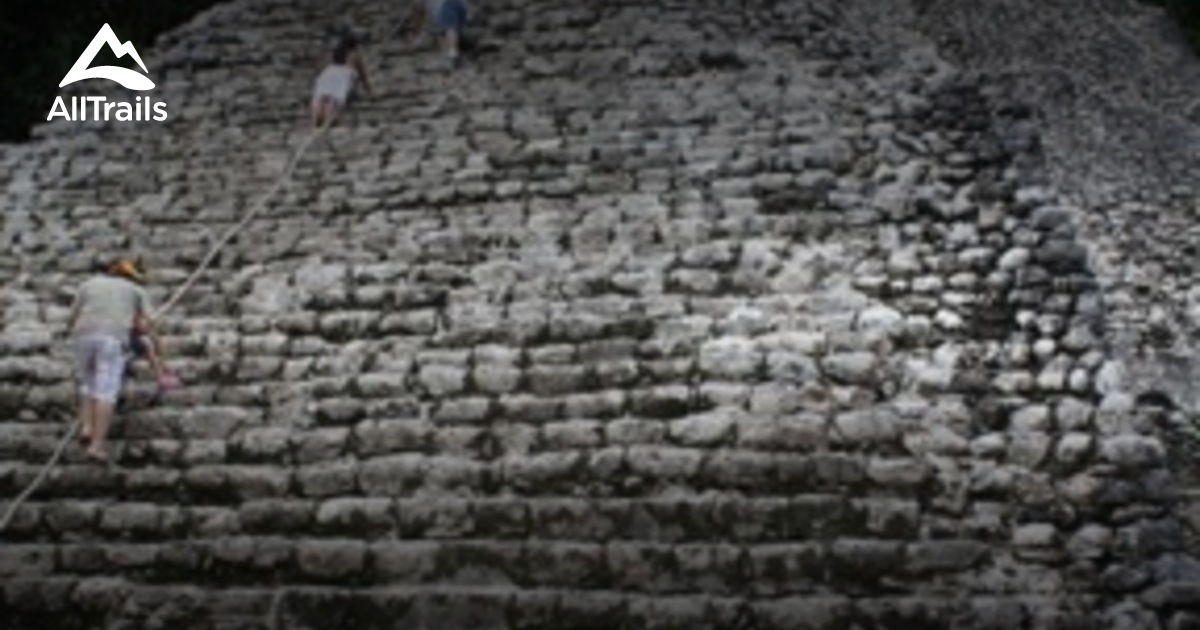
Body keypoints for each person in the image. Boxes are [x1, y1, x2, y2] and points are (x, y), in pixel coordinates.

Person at [67, 258, 156, 463]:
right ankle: (97, 446)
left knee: (87, 382)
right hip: (112, 336)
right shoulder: (135, 290)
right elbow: (145, 325)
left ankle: (87, 427)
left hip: (84, 334)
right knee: (105, 389)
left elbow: (72, 317)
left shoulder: (88, 284)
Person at [311, 34, 374, 127]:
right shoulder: (354, 54)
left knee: (322, 97)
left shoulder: (335, 54)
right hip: (344, 74)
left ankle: (316, 120)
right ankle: (329, 120)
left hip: (328, 73)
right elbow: (362, 74)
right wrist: (370, 91)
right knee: (335, 99)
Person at [402, 0, 470, 65]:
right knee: (451, 28)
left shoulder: (427, 7)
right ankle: (452, 53)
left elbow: (418, 4)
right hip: (462, 4)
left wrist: (415, 32)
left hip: (446, 5)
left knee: (446, 31)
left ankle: (451, 53)